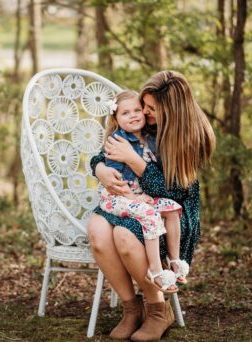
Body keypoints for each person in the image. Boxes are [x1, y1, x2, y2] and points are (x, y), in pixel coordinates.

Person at [87, 70, 215, 341]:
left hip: (171, 209)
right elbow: (106, 152)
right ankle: (131, 308)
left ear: (171, 110)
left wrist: (135, 161)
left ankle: (158, 308)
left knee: (123, 235)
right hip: (130, 200)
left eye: (150, 108)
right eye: (143, 106)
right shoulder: (145, 125)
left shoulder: (191, 137)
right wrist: (100, 169)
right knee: (98, 233)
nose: (144, 113)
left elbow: (174, 191)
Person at [99, 90, 184, 294]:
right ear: (116, 118)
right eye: (126, 113)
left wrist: (142, 197)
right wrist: (133, 197)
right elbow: (114, 180)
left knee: (173, 208)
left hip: (140, 196)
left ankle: (175, 261)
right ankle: (155, 271)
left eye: (137, 110)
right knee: (149, 214)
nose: (134, 115)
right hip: (117, 197)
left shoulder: (151, 138)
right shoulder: (117, 141)